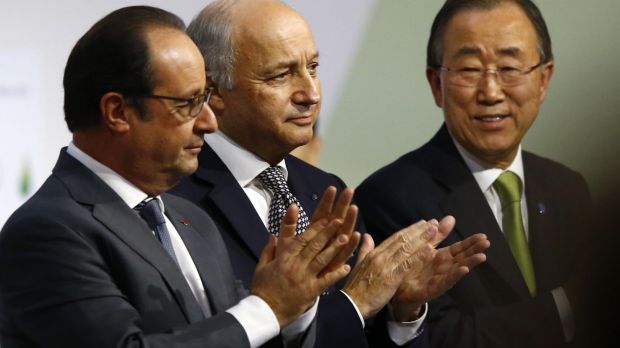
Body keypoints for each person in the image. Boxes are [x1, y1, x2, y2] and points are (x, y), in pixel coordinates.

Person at [0, 6, 365, 347]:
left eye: (205, 98)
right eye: (188, 104)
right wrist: (268, 306)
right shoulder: (46, 231)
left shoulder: (191, 222)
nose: (208, 121)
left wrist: (294, 310)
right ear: (117, 112)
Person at [172, 0, 490, 346]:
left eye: (313, 67)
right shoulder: (173, 196)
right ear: (215, 91)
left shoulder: (326, 189)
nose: (311, 93)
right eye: (281, 75)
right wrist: (355, 304)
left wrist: (401, 312)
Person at [355, 0, 591, 347]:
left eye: (509, 67)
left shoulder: (568, 188)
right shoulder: (389, 199)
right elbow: (442, 338)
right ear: (437, 84)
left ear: (544, 80)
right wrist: (573, 304)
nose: (491, 92)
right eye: (469, 69)